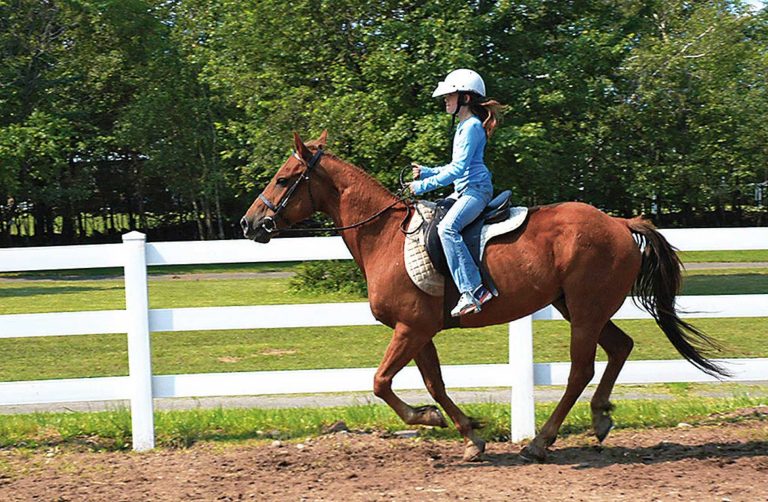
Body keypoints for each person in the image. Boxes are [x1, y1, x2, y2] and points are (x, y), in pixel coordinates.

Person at [409, 69, 505, 317]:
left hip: (475, 191)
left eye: (450, 96)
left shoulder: (471, 126)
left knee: (447, 229)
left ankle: (474, 290)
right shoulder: (465, 126)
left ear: (465, 98)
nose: (445, 100)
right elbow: (455, 167)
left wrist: (422, 187)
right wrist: (427, 172)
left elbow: (458, 169)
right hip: (463, 190)